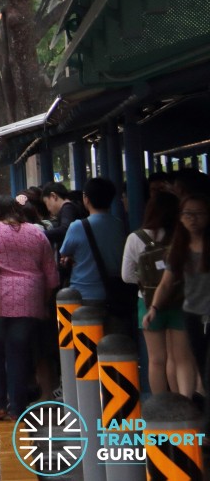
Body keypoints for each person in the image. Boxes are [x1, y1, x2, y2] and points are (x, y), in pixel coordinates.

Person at [0, 195, 59, 420]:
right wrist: (43, 302)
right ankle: (17, 407)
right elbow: (52, 275)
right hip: (29, 302)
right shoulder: (37, 233)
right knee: (19, 354)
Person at [143, 194, 210, 417]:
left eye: (198, 214)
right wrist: (154, 308)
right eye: (187, 214)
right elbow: (166, 284)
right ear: (180, 218)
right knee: (200, 366)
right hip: (193, 316)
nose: (193, 219)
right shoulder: (179, 248)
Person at [123, 190, 195, 396]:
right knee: (181, 358)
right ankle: (185, 402)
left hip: (147, 302)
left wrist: (145, 281)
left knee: (156, 359)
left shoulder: (135, 238)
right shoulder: (181, 237)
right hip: (181, 300)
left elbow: (126, 275)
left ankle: (161, 406)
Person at [59, 177, 135, 338]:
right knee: (116, 347)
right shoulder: (120, 225)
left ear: (86, 199)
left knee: (87, 350)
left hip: (85, 295)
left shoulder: (78, 226)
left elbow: (64, 252)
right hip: (116, 296)